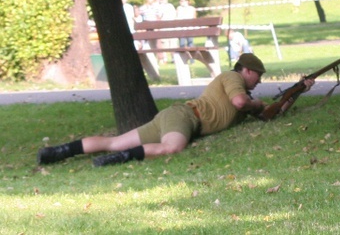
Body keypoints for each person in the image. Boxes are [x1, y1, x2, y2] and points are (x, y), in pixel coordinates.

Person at [37, 53, 315, 167]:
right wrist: (255, 104)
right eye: (259, 75)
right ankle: (117, 159)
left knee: (114, 140)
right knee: (172, 148)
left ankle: (57, 153)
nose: (260, 81)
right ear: (248, 71)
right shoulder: (233, 80)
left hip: (175, 116)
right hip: (185, 117)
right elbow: (242, 103)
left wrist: (299, 91)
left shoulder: (243, 91)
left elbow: (270, 113)